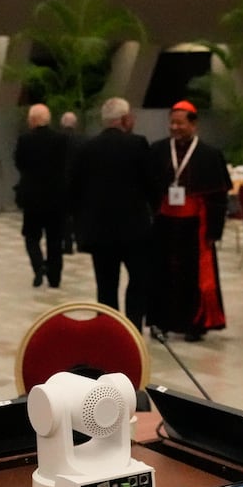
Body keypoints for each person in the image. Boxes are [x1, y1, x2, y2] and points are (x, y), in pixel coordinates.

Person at [68, 97, 154, 330]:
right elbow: (151, 185)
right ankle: (133, 329)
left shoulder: (86, 148)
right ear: (126, 119)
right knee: (138, 279)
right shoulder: (137, 144)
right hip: (134, 229)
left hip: (99, 231)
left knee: (106, 285)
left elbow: (74, 189)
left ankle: (108, 330)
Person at [148, 100, 229, 342]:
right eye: (172, 122)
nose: (175, 127)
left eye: (180, 123)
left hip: (196, 225)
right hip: (164, 223)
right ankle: (160, 322)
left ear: (193, 124)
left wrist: (215, 230)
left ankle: (194, 324)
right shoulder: (158, 150)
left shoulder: (210, 154)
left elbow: (219, 197)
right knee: (162, 273)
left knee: (193, 276)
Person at [14, 103, 69, 289]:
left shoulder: (25, 140)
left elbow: (19, 163)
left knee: (31, 235)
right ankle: (55, 278)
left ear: (33, 120)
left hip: (32, 197)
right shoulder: (61, 139)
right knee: (55, 238)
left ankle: (38, 266)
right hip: (56, 197)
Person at [59, 111, 82, 254]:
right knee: (78, 214)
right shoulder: (82, 140)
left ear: (62, 123)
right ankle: (80, 242)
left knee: (64, 215)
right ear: (75, 124)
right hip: (78, 182)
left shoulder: (56, 139)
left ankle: (66, 244)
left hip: (61, 182)